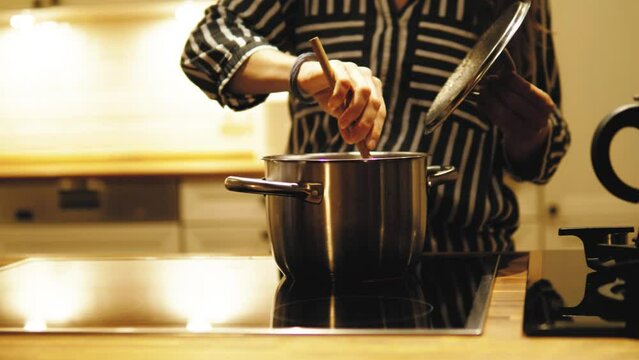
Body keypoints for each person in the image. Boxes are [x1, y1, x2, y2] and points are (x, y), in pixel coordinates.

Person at [180, 0, 570, 252]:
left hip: (468, 261)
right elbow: (205, 48)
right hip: (320, 257)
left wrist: (531, 136)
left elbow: (548, 154)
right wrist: (300, 69)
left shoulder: (513, 7)